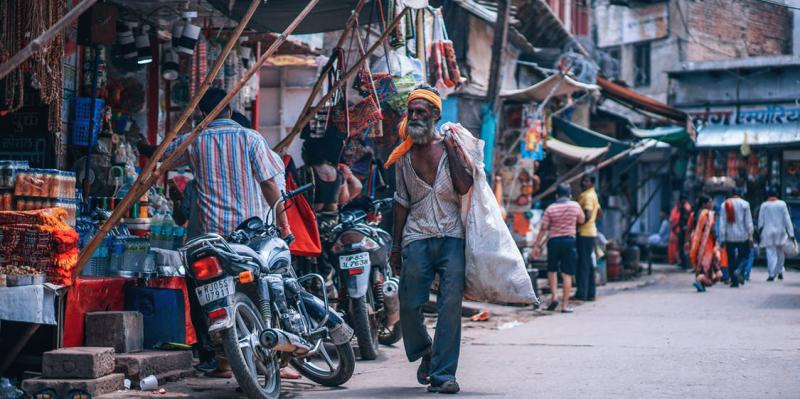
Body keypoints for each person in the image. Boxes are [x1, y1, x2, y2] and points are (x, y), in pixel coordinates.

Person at [164, 87, 291, 378]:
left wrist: (192, 132)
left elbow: (165, 158)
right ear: (231, 111)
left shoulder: (195, 141)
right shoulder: (250, 138)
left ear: (201, 113)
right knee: (264, 291)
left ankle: (218, 360)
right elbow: (271, 186)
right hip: (249, 236)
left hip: (210, 240)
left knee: (206, 295)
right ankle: (275, 359)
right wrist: (285, 226)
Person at [387, 85, 473, 394]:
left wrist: (453, 152)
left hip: (451, 236)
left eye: (421, 112)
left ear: (436, 114)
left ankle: (443, 375)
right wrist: (395, 247)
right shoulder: (403, 156)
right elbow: (400, 202)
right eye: (411, 112)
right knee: (409, 305)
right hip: (416, 237)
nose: (414, 117)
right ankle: (425, 350)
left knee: (450, 306)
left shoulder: (451, 146)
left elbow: (465, 187)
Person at [532, 183, 585, 313]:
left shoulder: (551, 208)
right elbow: (582, 220)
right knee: (567, 274)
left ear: (556, 195)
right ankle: (564, 306)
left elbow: (543, 228)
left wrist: (537, 245)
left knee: (552, 270)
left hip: (554, 241)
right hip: (569, 241)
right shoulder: (575, 206)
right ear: (570, 195)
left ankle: (554, 297)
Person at [300, 139, 362, 212]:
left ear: (307, 154)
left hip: (313, 217)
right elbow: (343, 199)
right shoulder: (337, 172)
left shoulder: (305, 171)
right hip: (331, 218)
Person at [717, 188, 753, 287]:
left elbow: (722, 222)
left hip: (729, 237)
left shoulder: (725, 204)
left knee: (731, 258)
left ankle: (734, 281)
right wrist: (750, 236)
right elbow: (748, 222)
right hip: (742, 236)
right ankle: (740, 269)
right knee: (745, 256)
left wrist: (722, 238)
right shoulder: (745, 204)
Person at [757, 187, 795, 281]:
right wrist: (791, 233)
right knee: (780, 253)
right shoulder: (782, 204)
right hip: (780, 232)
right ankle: (780, 271)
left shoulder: (764, 205)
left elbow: (760, 221)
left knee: (770, 253)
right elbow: (787, 220)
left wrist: (759, 231)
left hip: (768, 232)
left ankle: (772, 274)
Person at [689, 195, 722, 292]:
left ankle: (701, 282)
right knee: (706, 264)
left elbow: (691, 228)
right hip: (707, 243)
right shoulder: (708, 214)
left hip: (696, 241)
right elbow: (711, 229)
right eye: (710, 202)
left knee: (700, 263)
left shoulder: (695, 213)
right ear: (704, 204)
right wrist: (716, 238)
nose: (712, 204)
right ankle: (700, 280)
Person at [576, 176, 600, 302]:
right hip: (591, 232)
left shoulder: (588, 196)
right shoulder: (593, 194)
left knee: (584, 264)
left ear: (591, 183)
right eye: (583, 180)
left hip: (584, 233)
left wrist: (578, 224)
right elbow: (599, 212)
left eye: (586, 181)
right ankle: (590, 293)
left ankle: (582, 293)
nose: (583, 182)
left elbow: (588, 214)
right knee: (589, 264)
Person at [669, 195, 692, 269]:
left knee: (684, 247)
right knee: (681, 247)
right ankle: (683, 263)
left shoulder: (686, 207)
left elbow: (686, 218)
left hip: (685, 229)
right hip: (682, 229)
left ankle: (685, 263)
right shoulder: (681, 208)